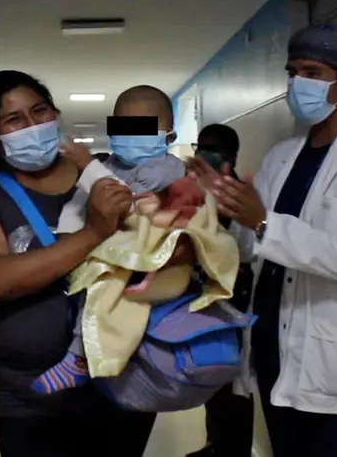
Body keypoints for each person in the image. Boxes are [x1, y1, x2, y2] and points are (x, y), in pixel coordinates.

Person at [188, 24, 337, 457]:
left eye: (312, 72)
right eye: (292, 72)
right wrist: (220, 209)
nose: (297, 84)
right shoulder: (281, 156)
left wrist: (263, 224)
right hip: (276, 355)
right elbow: (252, 248)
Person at [0, 70, 158, 456]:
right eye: (14, 120)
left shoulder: (108, 177)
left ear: (56, 113)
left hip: (122, 383)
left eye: (40, 111)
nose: (32, 125)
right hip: (30, 399)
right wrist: (93, 233)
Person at [32, 87, 239, 396]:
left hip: (158, 261)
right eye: (123, 125)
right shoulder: (111, 165)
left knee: (108, 286)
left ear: (168, 135)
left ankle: (78, 358)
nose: (131, 135)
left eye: (143, 126)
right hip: (125, 252)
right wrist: (67, 237)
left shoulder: (167, 168)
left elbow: (122, 200)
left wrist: (89, 167)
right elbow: (79, 205)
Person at [186, 123, 256, 457]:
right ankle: (216, 443)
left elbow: (243, 247)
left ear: (231, 156)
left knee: (235, 382)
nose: (207, 154)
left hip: (235, 295)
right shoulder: (191, 190)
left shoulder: (241, 196)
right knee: (212, 375)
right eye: (203, 146)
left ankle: (234, 449)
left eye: (215, 149)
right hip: (204, 293)